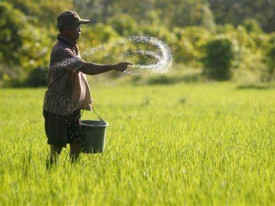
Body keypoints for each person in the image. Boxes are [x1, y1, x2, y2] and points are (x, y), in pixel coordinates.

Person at [43, 10, 132, 166]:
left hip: (71, 106)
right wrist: (114, 67)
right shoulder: (63, 51)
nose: (80, 31)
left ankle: (73, 174)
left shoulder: (72, 47)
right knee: (56, 147)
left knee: (76, 145)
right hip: (57, 107)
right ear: (67, 29)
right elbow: (86, 68)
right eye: (77, 27)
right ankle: (49, 175)